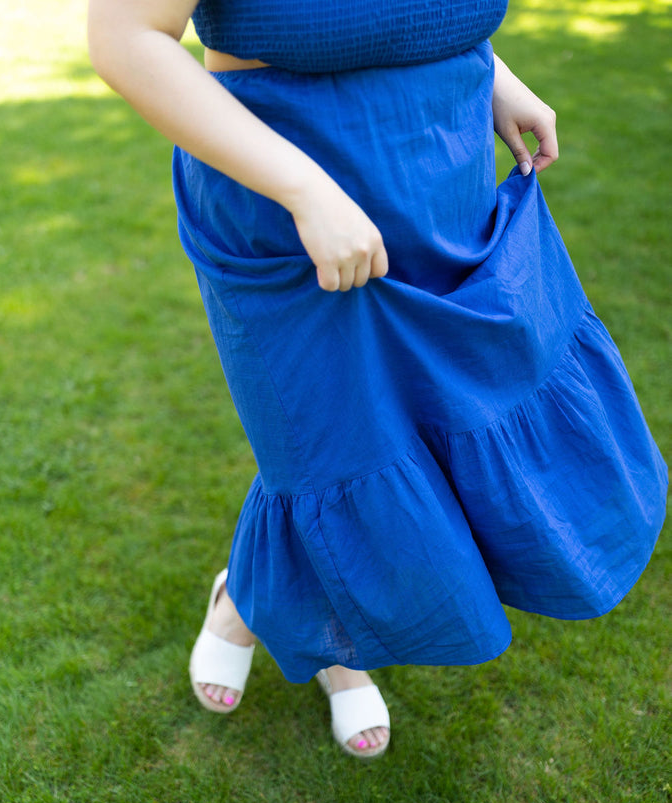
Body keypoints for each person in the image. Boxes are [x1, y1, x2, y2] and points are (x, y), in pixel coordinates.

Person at [87, 0, 667, 760]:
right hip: (288, 205)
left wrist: (491, 70)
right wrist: (305, 190)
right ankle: (321, 642)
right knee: (334, 445)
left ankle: (257, 603)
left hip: (439, 180)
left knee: (429, 432)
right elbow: (125, 40)